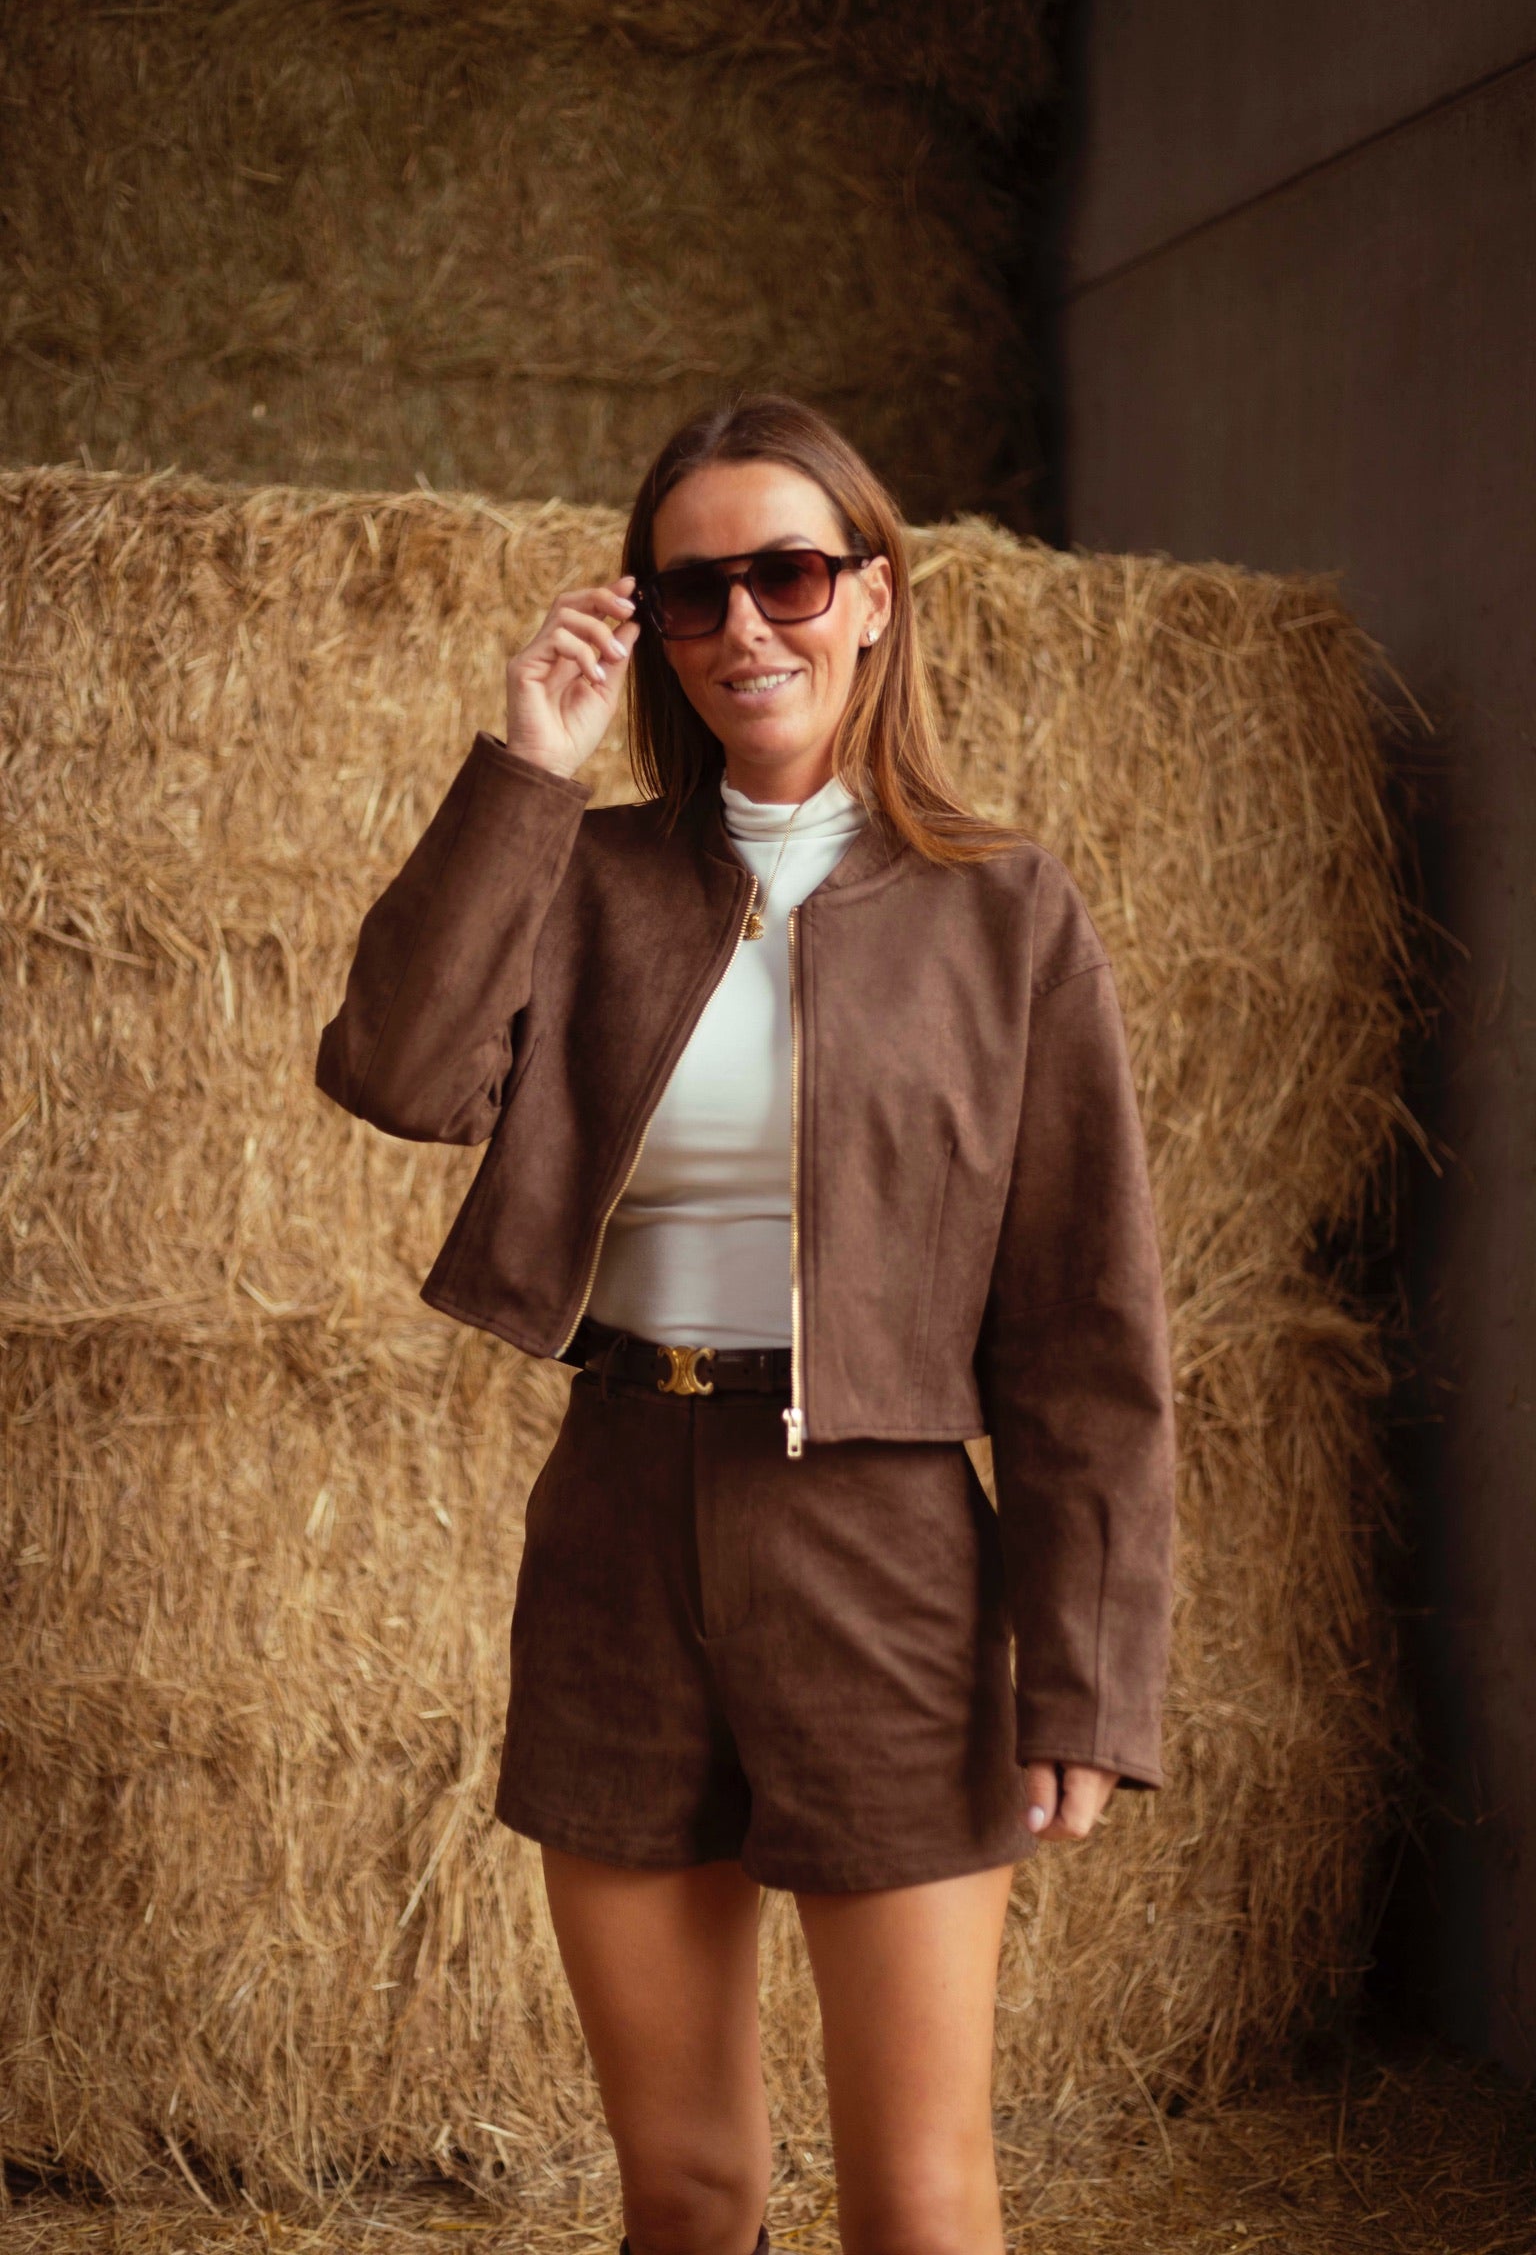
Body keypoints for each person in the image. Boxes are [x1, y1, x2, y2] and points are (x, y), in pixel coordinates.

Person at [316, 395, 1175, 2255]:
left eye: (786, 575)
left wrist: (1088, 1673)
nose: (741, 627)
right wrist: (527, 770)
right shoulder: (588, 876)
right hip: (616, 1527)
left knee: (919, 2201)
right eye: (690, 592)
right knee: (686, 2194)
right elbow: (393, 1069)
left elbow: (1086, 1324)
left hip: (885, 1548)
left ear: (873, 595)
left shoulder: (1004, 911)